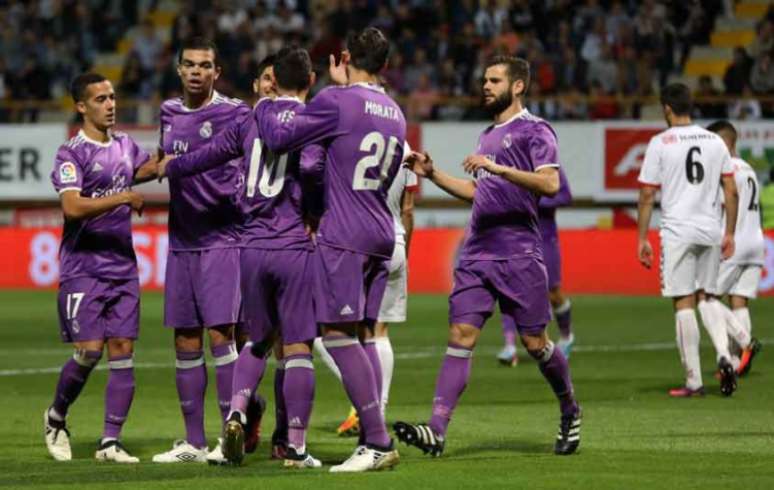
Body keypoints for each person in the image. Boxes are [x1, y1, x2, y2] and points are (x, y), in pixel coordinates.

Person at [393, 55, 582, 458]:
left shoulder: (536, 131)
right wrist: (434, 174)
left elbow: (549, 183)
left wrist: (498, 168)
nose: (485, 86)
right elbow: (480, 192)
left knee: (535, 343)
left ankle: (570, 409)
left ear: (517, 86)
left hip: (519, 253)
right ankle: (437, 430)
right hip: (477, 253)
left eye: (494, 80)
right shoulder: (485, 135)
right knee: (460, 337)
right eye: (484, 79)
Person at [158, 47, 323, 469]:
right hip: (288, 242)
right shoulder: (308, 121)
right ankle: (293, 445)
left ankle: (238, 416)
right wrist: (317, 214)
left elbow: (204, 156)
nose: (268, 85)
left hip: (244, 244)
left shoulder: (243, 121)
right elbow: (313, 169)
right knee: (296, 345)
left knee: (252, 341)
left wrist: (169, 168)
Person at [253, 27, 404, 472]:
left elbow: (283, 139)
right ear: (386, 66)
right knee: (363, 336)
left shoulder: (335, 102)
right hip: (382, 228)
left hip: (345, 232)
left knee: (335, 335)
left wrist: (265, 104)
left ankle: (376, 440)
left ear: (343, 57)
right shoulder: (395, 110)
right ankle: (374, 435)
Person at [44, 72, 158, 463]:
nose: (110, 105)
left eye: (112, 97)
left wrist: (185, 151)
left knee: (123, 349)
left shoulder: (125, 144)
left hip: (122, 266)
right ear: (81, 107)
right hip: (84, 268)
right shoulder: (71, 153)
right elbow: (72, 207)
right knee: (89, 351)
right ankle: (56, 417)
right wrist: (123, 197)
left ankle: (110, 442)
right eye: (100, 99)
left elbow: (147, 168)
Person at [152, 37, 251, 465]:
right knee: (185, 340)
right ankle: (193, 442)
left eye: (204, 65)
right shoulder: (168, 112)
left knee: (219, 335)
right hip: (181, 243)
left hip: (222, 241)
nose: (196, 71)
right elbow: (162, 159)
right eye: (189, 65)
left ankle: (230, 435)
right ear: (178, 70)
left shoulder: (236, 114)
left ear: (217, 72)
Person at [636, 83, 740, 398]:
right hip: (710, 228)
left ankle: (693, 380)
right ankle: (724, 352)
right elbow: (731, 190)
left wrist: (642, 237)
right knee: (707, 297)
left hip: (678, 231)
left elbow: (647, 193)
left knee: (683, 302)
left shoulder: (660, 142)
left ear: (667, 108)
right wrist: (730, 232)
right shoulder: (714, 141)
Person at [317, 159, 418, 436]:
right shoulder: (404, 147)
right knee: (377, 332)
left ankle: (367, 405)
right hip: (393, 239)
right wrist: (403, 252)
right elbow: (408, 209)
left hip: (356, 239)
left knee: (330, 331)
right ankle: (374, 408)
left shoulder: (352, 138)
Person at [498, 167, 573, 366]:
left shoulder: (549, 165)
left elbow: (565, 196)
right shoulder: (510, 164)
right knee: (510, 290)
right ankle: (509, 345)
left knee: (553, 292)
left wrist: (534, 198)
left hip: (545, 237)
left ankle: (566, 337)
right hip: (516, 238)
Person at [706, 120, 763, 375]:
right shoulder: (750, 170)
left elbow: (722, 204)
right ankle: (740, 362)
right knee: (739, 301)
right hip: (756, 243)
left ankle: (738, 347)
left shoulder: (725, 171)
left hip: (734, 243)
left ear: (724, 143)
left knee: (707, 299)